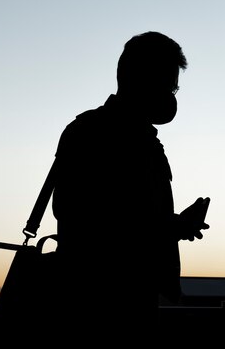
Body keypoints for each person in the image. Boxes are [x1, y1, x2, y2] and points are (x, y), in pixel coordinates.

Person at [50, 31, 210, 334]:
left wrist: (173, 226)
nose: (171, 95)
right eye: (169, 85)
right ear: (143, 78)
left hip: (128, 298)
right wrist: (172, 228)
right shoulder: (95, 134)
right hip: (102, 304)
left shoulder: (128, 137)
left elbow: (127, 217)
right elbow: (90, 221)